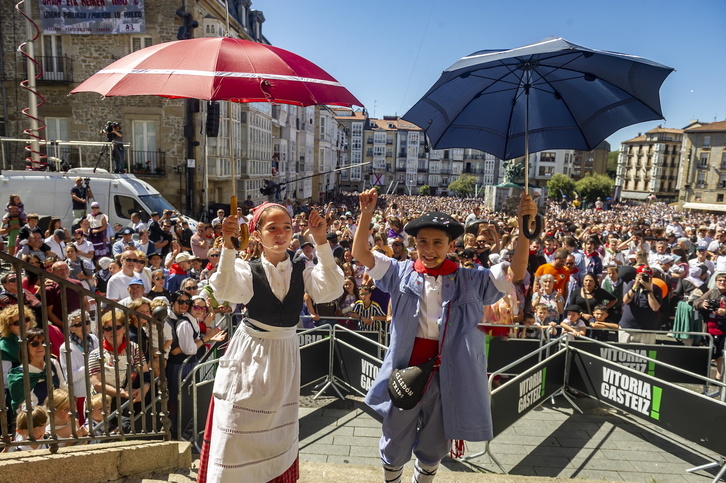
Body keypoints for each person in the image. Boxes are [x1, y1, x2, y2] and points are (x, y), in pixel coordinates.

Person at [351, 188, 535, 483]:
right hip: (406, 373)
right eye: (423, 241)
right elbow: (360, 253)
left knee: (435, 444)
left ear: (451, 244)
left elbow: (517, 270)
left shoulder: (471, 280)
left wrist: (525, 229)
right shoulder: (399, 272)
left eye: (438, 242)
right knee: (395, 439)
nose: (430, 249)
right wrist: (366, 214)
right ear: (414, 243)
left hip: (447, 374)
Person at [198, 201, 344, 483]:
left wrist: (322, 241)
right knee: (236, 424)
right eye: (272, 228)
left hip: (284, 354)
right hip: (250, 352)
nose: (281, 234)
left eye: (287, 228)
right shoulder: (246, 267)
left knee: (277, 429)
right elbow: (226, 290)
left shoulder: (303, 267)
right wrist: (228, 249)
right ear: (257, 235)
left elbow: (331, 289)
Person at [88, 310, 150, 432]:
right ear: (103, 331)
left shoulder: (134, 349)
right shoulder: (96, 354)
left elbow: (145, 373)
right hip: (102, 404)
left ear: (124, 328)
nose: (113, 331)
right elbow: (97, 384)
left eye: (117, 327)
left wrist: (144, 388)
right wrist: (122, 393)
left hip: (125, 403)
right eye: (108, 328)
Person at [7, 327, 67, 411]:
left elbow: (63, 388)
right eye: (35, 344)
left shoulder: (53, 363)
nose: (40, 346)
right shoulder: (18, 375)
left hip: (58, 415)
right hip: (37, 420)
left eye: (43, 342)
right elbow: (21, 408)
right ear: (25, 347)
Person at [59, 309, 98, 425]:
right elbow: (70, 376)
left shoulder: (94, 339)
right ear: (71, 328)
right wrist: (92, 364)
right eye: (79, 324)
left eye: (86, 322)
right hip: (81, 396)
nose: (84, 326)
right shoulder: (66, 347)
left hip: (97, 392)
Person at [694, 273, 726, 381]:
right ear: (716, 282)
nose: (722, 282)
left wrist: (724, 311)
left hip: (722, 329)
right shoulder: (712, 292)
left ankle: (718, 377)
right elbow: (696, 302)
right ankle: (709, 376)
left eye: (724, 280)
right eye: (720, 280)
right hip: (709, 328)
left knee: (719, 354)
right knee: (710, 352)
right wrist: (702, 305)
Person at [620, 265, 662, 344]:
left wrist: (649, 290)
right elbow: (626, 300)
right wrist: (635, 286)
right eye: (642, 275)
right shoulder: (631, 284)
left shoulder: (656, 288)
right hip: (628, 328)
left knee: (646, 354)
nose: (645, 278)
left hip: (647, 330)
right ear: (637, 275)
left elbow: (655, 307)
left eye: (648, 276)